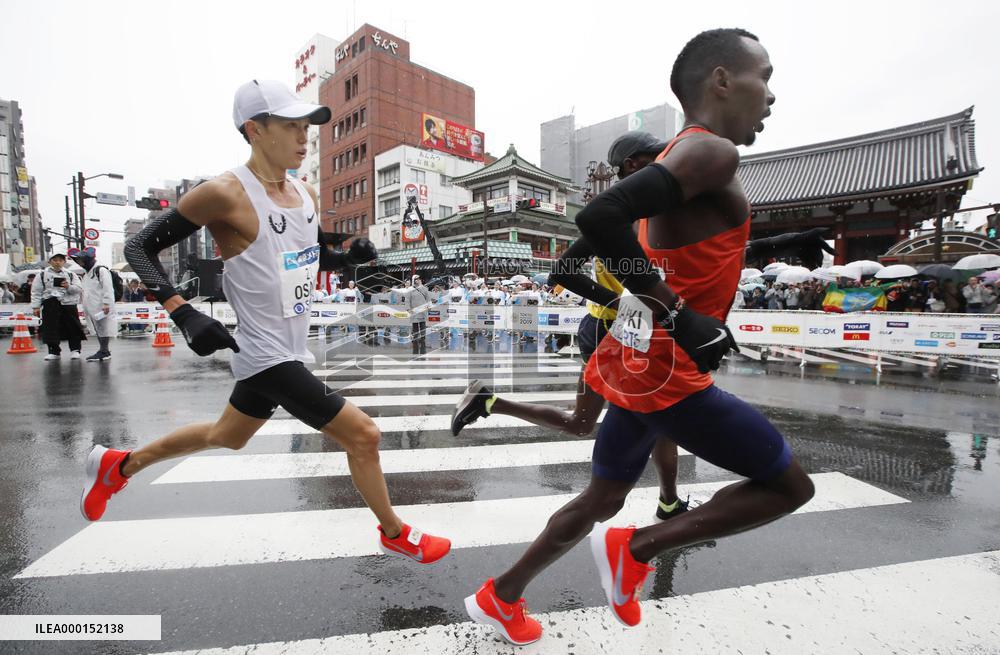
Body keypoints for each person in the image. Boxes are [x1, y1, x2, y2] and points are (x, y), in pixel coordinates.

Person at [464, 29, 814, 645]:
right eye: (765, 76)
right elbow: (598, 217)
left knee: (601, 499)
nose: (771, 95)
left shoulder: (687, 157)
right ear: (722, 80)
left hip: (634, 361)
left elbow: (688, 249)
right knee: (789, 486)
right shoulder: (710, 151)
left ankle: (502, 595)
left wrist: (773, 246)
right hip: (667, 371)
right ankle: (639, 548)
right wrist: (678, 314)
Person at [81, 79, 450, 566]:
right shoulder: (224, 193)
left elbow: (305, 255)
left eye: (306, 127)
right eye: (292, 126)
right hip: (265, 353)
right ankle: (395, 532)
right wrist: (183, 312)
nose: (304, 137)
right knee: (363, 434)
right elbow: (138, 247)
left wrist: (345, 258)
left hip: (291, 345)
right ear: (255, 130)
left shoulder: (304, 191)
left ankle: (118, 466)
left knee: (226, 435)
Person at [453, 131, 689, 527]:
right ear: (633, 165)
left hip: (629, 333)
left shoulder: (652, 216)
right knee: (641, 421)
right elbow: (560, 272)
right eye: (657, 157)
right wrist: (620, 302)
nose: (666, 163)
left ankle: (489, 402)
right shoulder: (615, 217)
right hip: (611, 332)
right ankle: (657, 503)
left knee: (615, 421)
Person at [30, 253, 86, 361]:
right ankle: (54, 351)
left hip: (68, 303)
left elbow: (79, 289)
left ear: (64, 262)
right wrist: (35, 307)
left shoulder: (71, 274)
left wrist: (68, 286)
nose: (57, 262)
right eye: (55, 260)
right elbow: (36, 291)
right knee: (50, 328)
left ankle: (75, 350)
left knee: (73, 327)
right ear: (50, 261)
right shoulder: (41, 275)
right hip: (50, 303)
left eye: (60, 260)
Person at [69, 247, 117, 362]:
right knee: (99, 329)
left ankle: (104, 351)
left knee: (103, 328)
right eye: (78, 261)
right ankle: (104, 350)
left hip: (101, 306)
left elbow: (108, 288)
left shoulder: (100, 270)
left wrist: (106, 303)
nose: (79, 263)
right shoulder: (88, 273)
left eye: (81, 261)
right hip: (93, 306)